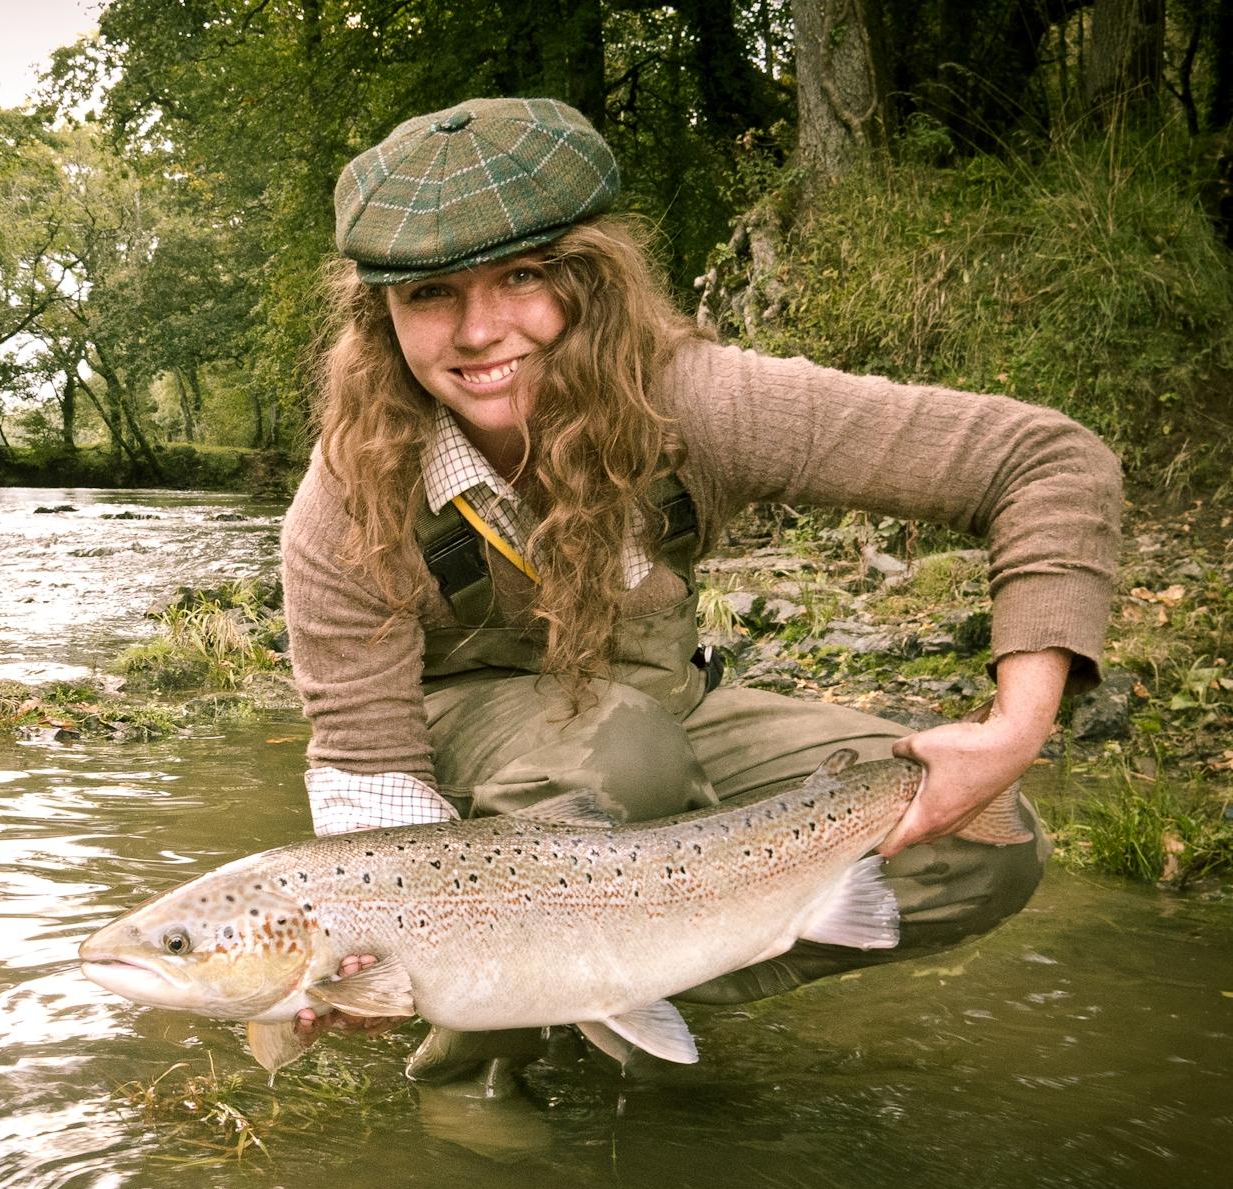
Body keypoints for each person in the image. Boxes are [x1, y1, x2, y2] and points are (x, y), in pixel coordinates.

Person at [281, 97, 1122, 1088]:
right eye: (429, 295)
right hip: (472, 789)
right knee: (621, 745)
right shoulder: (346, 504)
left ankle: (611, 992)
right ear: (378, 316)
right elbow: (374, 790)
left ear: (589, 280)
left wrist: (1014, 729)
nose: (477, 331)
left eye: (520, 277)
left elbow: (1041, 461)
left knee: (982, 846)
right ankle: (473, 1060)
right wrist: (370, 961)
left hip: (667, 723)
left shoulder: (695, 401)